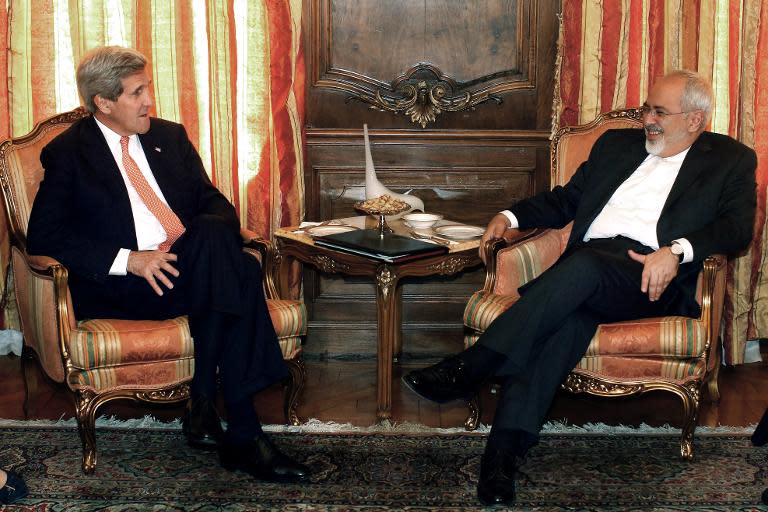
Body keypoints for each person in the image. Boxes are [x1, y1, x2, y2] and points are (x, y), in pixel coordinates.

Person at [403, 70, 757, 506]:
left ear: (695, 119)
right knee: (560, 326)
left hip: (649, 275)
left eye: (659, 112)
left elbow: (736, 229)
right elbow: (565, 200)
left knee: (583, 269)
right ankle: (501, 459)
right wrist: (510, 217)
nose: (647, 118)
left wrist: (678, 250)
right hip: (585, 273)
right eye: (647, 108)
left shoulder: (731, 159)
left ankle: (474, 365)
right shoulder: (616, 146)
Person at [26, 46, 310, 484]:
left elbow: (216, 204)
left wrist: (204, 241)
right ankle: (233, 422)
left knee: (217, 238)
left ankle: (216, 412)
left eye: (148, 89)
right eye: (137, 92)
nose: (148, 102)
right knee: (242, 272)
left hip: (185, 269)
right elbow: (45, 235)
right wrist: (130, 260)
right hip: (125, 286)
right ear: (103, 102)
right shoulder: (68, 153)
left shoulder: (169, 137)